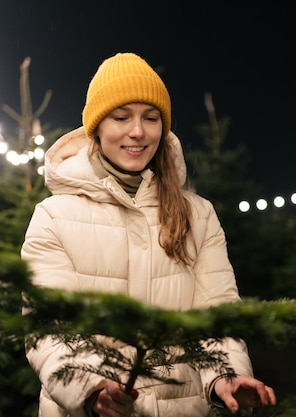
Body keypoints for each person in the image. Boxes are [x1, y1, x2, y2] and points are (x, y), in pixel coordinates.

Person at [21, 52, 276, 417]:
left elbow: (216, 310)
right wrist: (93, 390)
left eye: (151, 118)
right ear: (96, 127)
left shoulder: (197, 214)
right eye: (121, 117)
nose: (137, 131)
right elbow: (49, 330)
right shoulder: (53, 217)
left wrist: (227, 377)